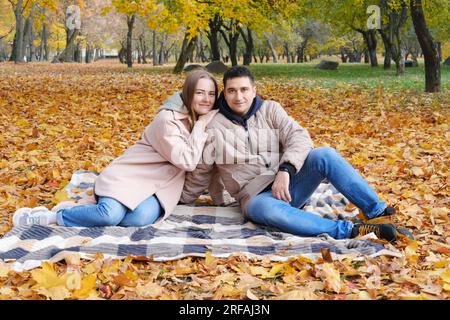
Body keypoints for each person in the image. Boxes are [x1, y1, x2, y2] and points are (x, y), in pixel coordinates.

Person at [181, 66, 407, 242]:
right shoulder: (213, 126)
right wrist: (176, 200)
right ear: (225, 93)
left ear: (254, 90)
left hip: (291, 187)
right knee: (262, 208)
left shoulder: (270, 110)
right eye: (232, 90)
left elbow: (299, 137)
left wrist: (286, 169)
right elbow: (201, 170)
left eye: (244, 89)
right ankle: (353, 230)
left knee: (324, 154)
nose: (238, 96)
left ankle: (377, 212)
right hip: (257, 198)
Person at [13, 70, 220, 227]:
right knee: (109, 215)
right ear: (188, 92)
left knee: (139, 219)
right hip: (130, 175)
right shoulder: (167, 119)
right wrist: (201, 125)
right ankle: (54, 216)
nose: (206, 99)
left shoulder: (203, 120)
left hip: (158, 186)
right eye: (199, 92)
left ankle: (83, 209)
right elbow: (188, 161)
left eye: (211, 94)